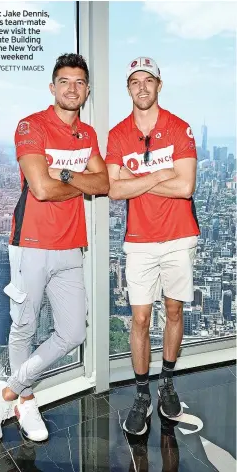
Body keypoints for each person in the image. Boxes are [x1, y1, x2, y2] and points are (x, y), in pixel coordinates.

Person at [0, 53, 109, 442]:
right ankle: (27, 402)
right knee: (24, 326)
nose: (72, 88)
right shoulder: (31, 126)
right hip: (31, 244)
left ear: (87, 90)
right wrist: (78, 180)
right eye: (64, 81)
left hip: (72, 245)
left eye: (79, 82)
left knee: (73, 331)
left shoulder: (87, 136)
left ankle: (6, 392)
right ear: (52, 87)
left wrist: (65, 173)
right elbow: (40, 188)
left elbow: (103, 184)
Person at [106, 57, 200, 435]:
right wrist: (162, 173)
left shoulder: (180, 128)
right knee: (141, 319)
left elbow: (185, 187)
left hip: (179, 236)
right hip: (139, 241)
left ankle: (168, 383)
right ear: (128, 88)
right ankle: (142, 393)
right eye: (134, 81)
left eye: (148, 80)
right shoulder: (117, 135)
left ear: (159, 85)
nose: (141, 87)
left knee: (174, 312)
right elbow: (113, 189)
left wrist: (139, 178)